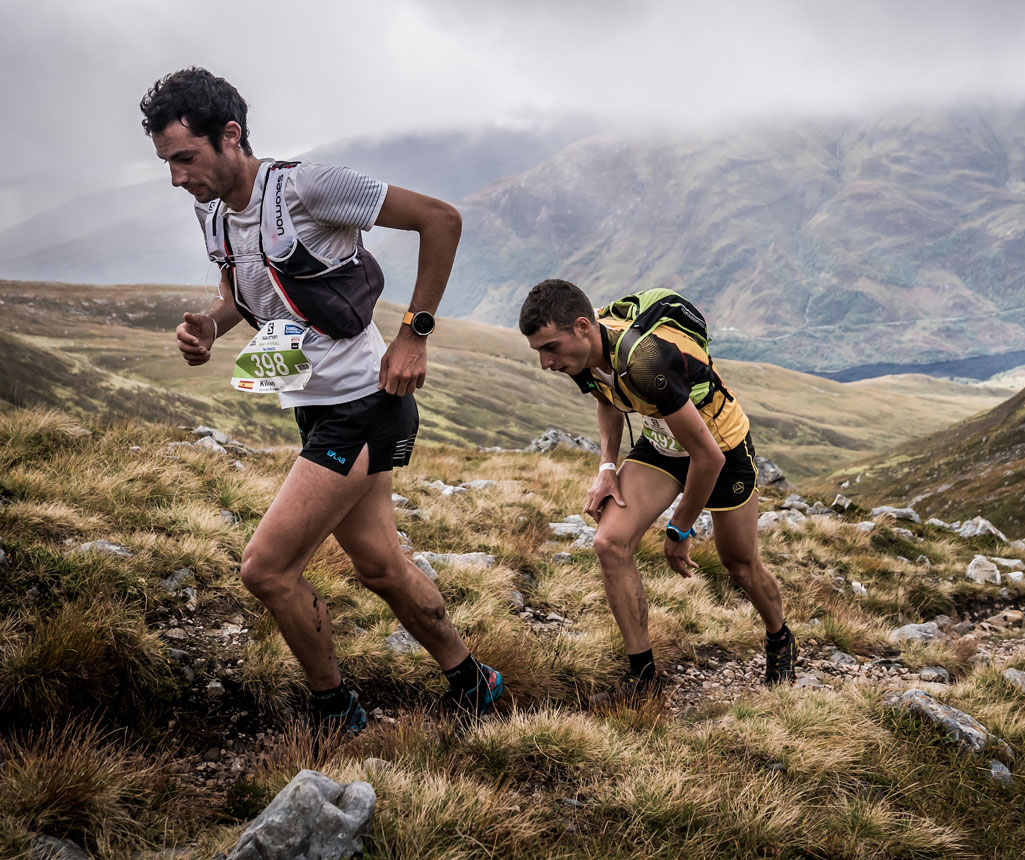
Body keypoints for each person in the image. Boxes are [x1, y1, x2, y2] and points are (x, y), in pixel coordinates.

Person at [140, 67, 502, 733]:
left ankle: (336, 711)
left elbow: (440, 219)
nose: (176, 178)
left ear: (230, 136)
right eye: (166, 163)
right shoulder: (213, 213)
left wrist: (414, 335)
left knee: (266, 569)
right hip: (316, 406)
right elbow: (239, 297)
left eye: (185, 159)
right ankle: (474, 682)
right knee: (381, 565)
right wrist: (208, 329)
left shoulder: (308, 186)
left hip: (364, 402)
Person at [519, 279, 796, 705]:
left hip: (719, 445)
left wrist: (680, 530)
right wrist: (607, 467)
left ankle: (780, 639)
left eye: (550, 348)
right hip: (663, 441)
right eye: (539, 350)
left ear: (581, 327)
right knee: (610, 543)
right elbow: (606, 397)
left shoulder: (645, 361)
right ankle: (643, 679)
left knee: (739, 565)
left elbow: (708, 459)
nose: (545, 363)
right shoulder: (584, 354)